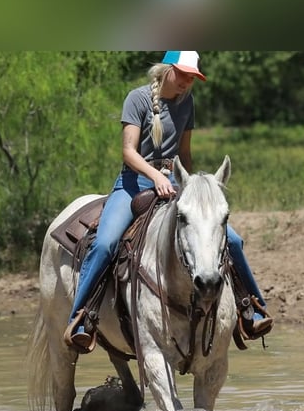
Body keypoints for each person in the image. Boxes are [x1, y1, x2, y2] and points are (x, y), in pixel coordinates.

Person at [65, 51, 272, 352]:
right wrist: (156, 175)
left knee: (234, 242)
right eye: (184, 75)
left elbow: (184, 154)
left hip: (176, 183)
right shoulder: (136, 99)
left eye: (193, 77)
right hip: (134, 183)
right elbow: (128, 152)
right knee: (106, 243)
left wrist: (193, 185)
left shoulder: (188, 102)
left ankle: (251, 309)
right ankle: (81, 320)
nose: (188, 82)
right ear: (167, 70)